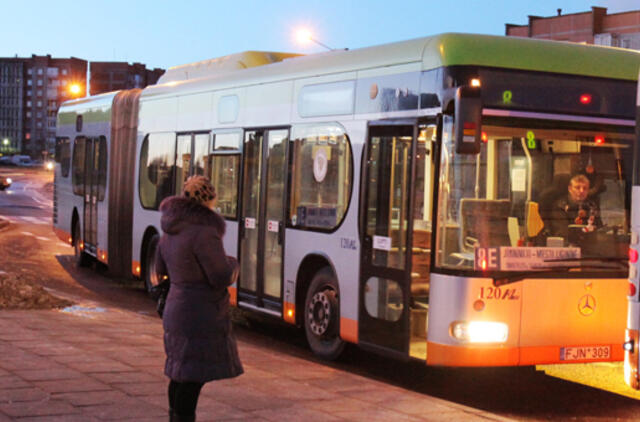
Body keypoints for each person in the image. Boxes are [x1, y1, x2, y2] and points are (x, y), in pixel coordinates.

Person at [156, 175, 243, 422]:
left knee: (180, 374)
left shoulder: (170, 230)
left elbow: (159, 268)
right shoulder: (205, 233)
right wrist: (234, 264)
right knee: (192, 378)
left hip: (176, 308)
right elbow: (219, 275)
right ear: (209, 200)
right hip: (199, 313)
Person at [548, 174, 602, 240]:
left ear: (588, 190)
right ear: (570, 189)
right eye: (577, 187)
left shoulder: (592, 206)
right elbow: (561, 232)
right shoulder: (560, 206)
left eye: (585, 188)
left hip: (590, 245)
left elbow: (599, 229)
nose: (581, 191)